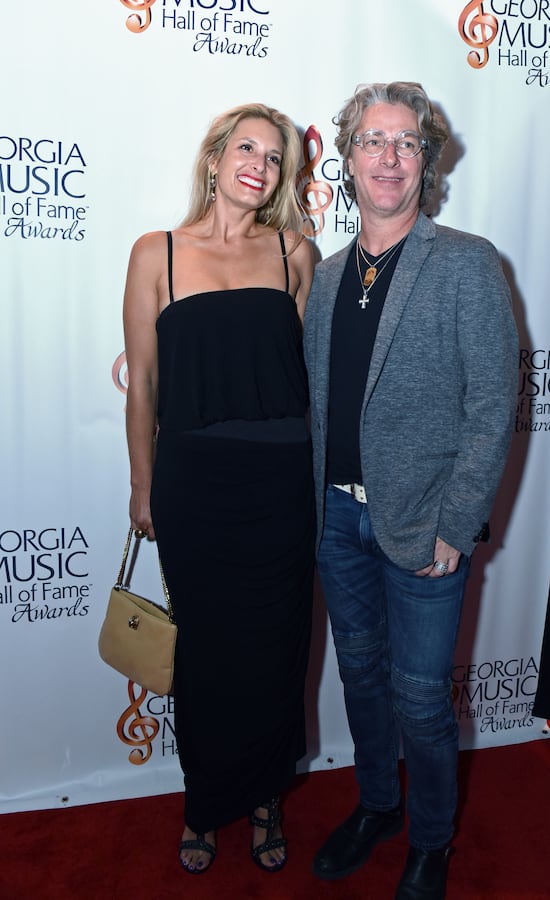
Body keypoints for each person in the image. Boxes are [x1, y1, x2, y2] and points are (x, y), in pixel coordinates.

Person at [303, 82, 518, 900]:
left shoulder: (465, 261)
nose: (388, 157)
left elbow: (493, 403)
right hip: (334, 517)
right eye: (372, 141)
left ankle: (431, 839)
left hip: (426, 525)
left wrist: (458, 524)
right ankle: (376, 806)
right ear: (347, 161)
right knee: (359, 676)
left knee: (424, 700)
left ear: (426, 163)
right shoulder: (325, 277)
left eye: (406, 144)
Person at [122, 102, 315, 876]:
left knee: (276, 649)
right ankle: (204, 799)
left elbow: (308, 381)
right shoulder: (156, 253)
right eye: (247, 149)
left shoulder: (295, 252)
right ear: (214, 158)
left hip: (282, 481)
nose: (259, 166)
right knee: (202, 653)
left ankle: (266, 796)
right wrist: (143, 486)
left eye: (273, 159)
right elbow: (142, 388)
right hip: (193, 482)